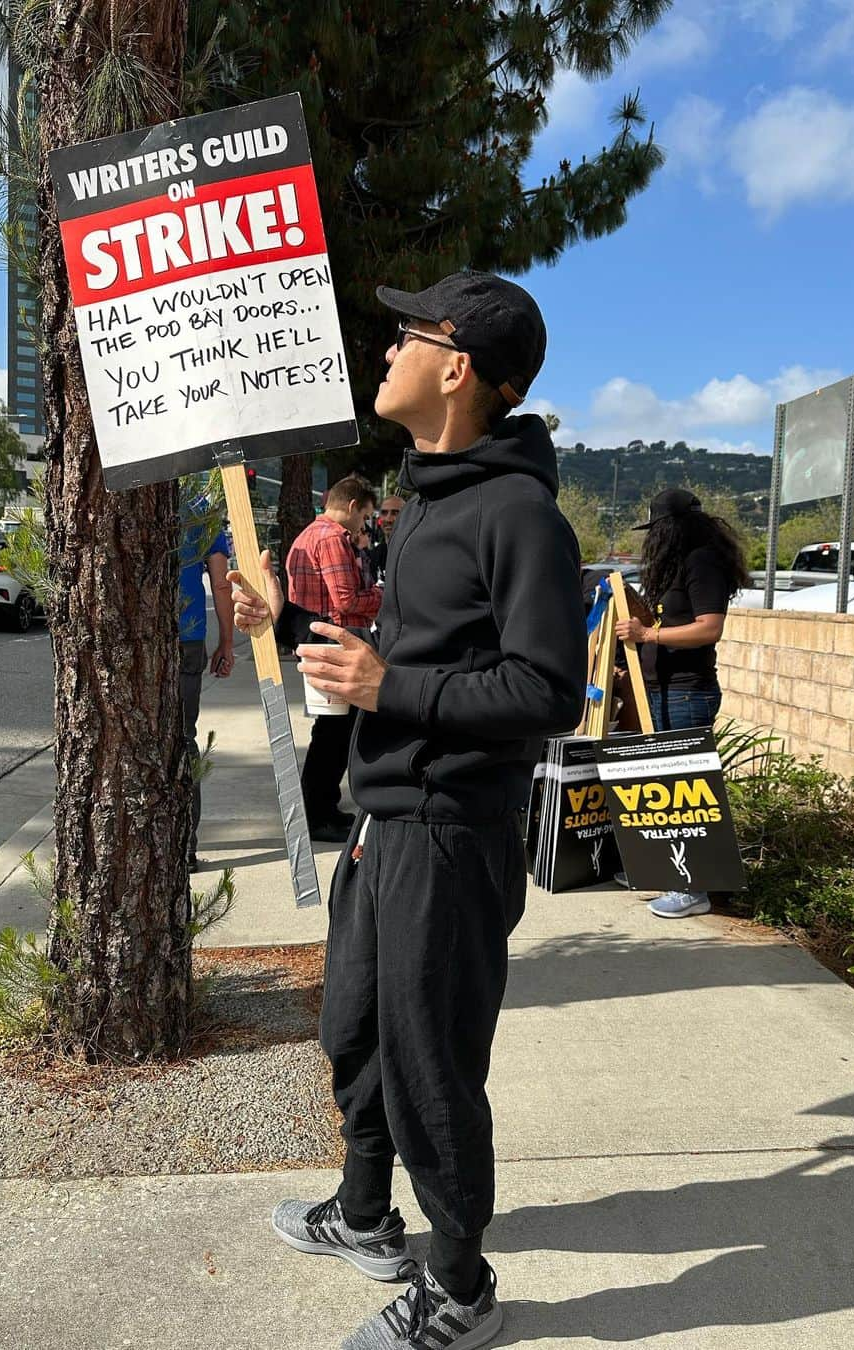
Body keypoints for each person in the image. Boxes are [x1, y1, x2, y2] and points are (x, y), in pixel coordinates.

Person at [230, 271, 585, 1350]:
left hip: (449, 830)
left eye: (408, 334)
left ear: (458, 365)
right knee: (359, 1035)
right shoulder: (429, 496)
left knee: (432, 1061)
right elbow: (409, 658)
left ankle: (461, 1288)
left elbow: (547, 691)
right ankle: (367, 1214)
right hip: (388, 817)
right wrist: (288, 619)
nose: (388, 350)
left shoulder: (519, 514)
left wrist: (394, 691)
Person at [614, 486, 750, 919]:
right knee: (664, 789)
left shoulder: (702, 562)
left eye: (656, 530)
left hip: (687, 692)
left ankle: (693, 888)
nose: (651, 539)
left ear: (673, 528)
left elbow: (709, 628)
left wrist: (647, 636)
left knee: (685, 791)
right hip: (662, 690)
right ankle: (665, 868)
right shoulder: (679, 566)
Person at [287, 475, 383, 843]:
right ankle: (319, 813)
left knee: (330, 732)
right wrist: (382, 596)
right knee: (335, 735)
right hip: (334, 642)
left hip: (315, 639)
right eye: (365, 517)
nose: (364, 526)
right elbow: (346, 600)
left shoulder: (310, 534)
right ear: (354, 505)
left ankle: (322, 808)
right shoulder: (331, 538)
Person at [178, 498, 234, 872]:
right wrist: (226, 641)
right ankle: (185, 849)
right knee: (183, 740)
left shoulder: (130, 481)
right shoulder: (200, 507)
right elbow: (220, 583)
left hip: (132, 638)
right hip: (188, 636)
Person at [371, 493, 405, 579]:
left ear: (407, 516)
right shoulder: (373, 555)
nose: (388, 519)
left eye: (395, 513)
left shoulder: (416, 553)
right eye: (384, 513)